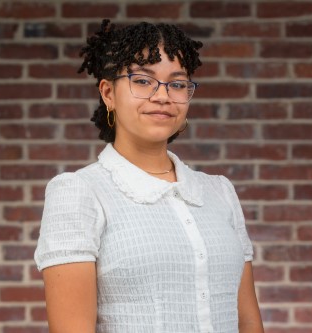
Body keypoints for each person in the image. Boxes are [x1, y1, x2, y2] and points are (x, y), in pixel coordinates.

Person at [34, 19, 264, 333]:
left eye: (177, 83)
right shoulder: (81, 192)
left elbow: (248, 322)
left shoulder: (219, 193)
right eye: (143, 81)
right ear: (108, 93)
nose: (162, 96)